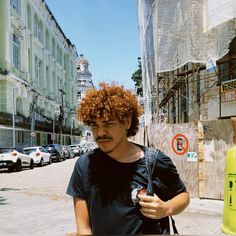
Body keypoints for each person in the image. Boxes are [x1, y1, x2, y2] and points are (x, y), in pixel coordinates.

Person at [66, 82, 190, 235]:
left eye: (108, 124)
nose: (100, 133)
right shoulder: (85, 165)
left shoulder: (154, 161)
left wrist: (166, 208)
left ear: (127, 122)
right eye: (94, 125)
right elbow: (84, 229)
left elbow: (183, 196)